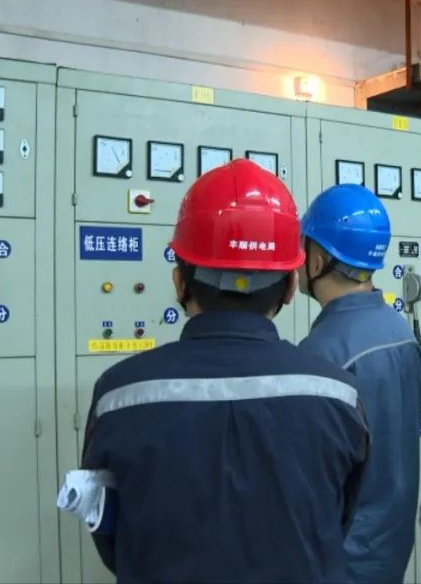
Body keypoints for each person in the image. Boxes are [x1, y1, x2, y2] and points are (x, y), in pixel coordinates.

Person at [79, 160, 370, 584]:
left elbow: (107, 530)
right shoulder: (340, 396)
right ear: (291, 287)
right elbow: (341, 517)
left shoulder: (119, 395)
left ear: (179, 282)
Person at [297, 184, 421, 584]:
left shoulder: (322, 353)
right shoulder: (400, 332)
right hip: (389, 549)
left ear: (317, 260)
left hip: (341, 560)